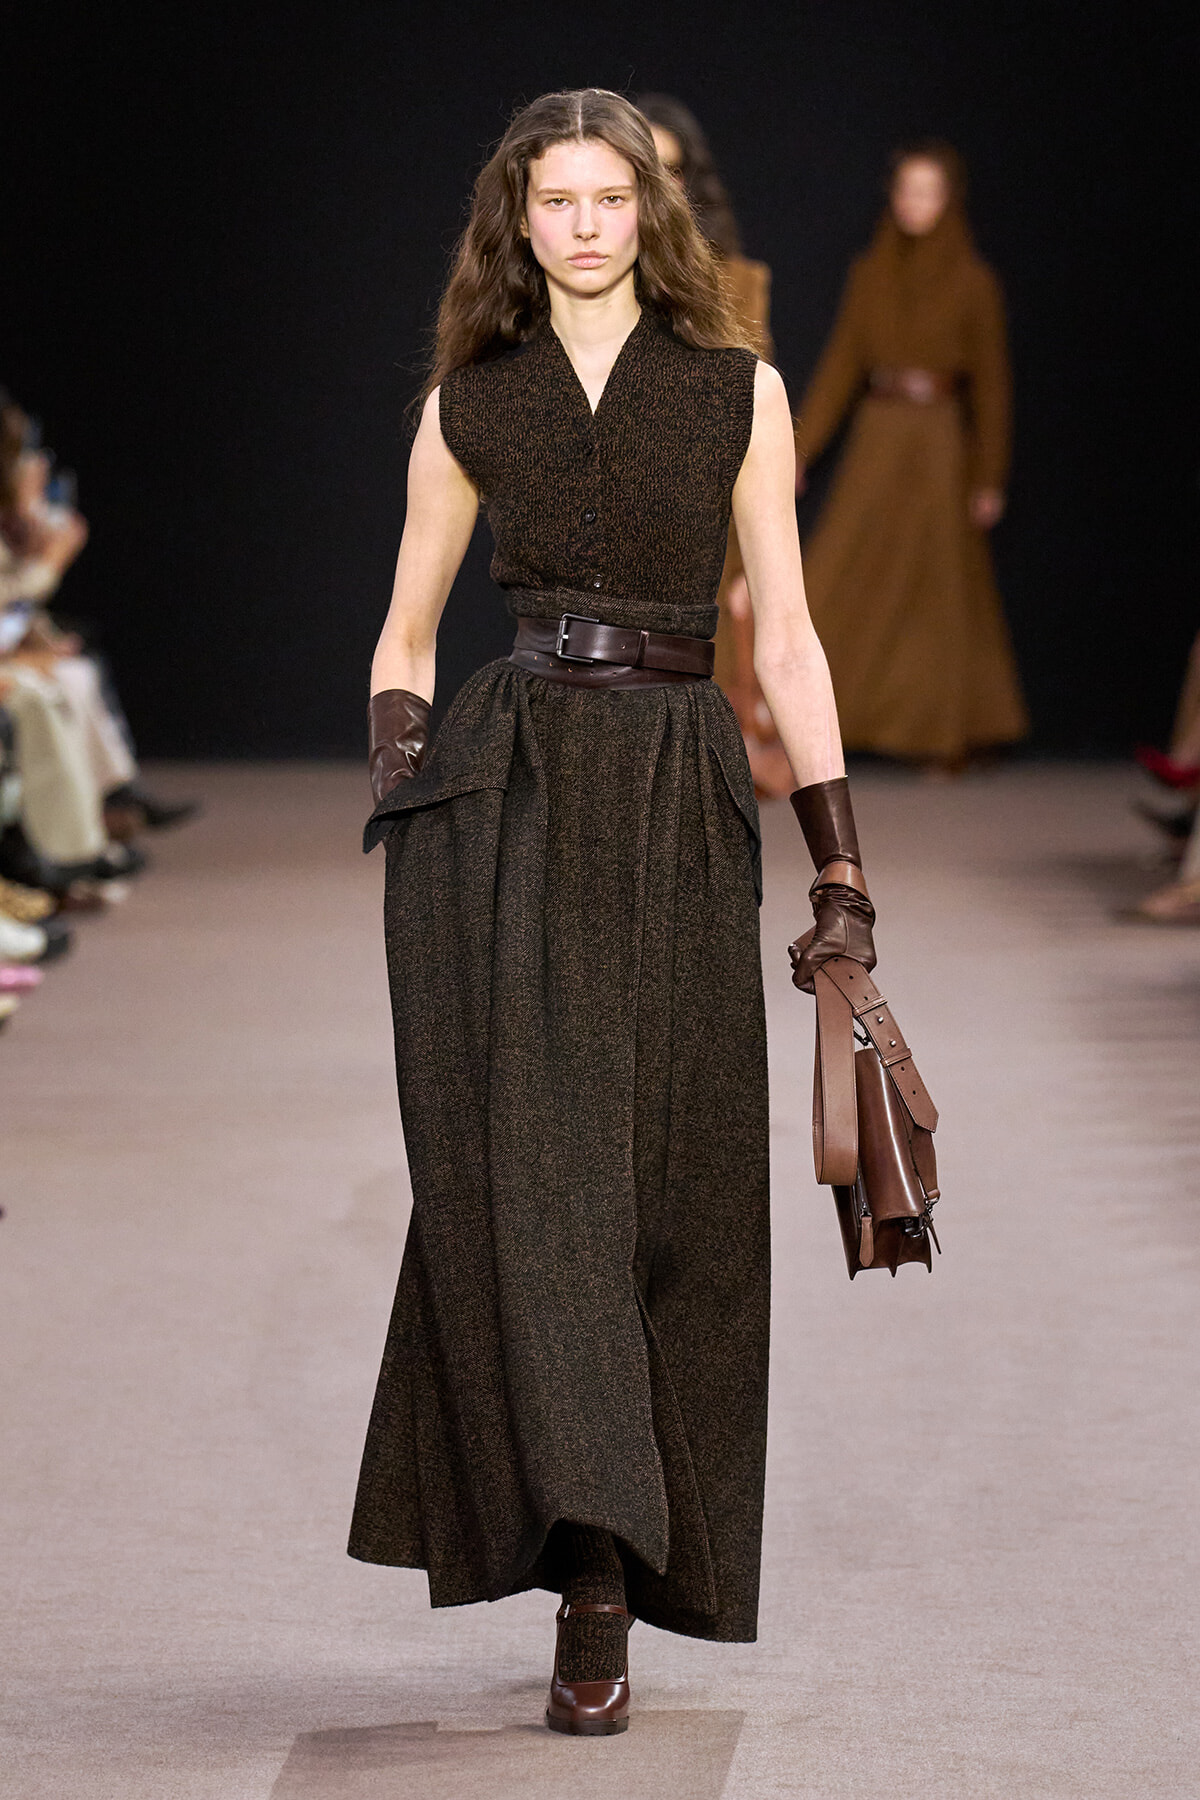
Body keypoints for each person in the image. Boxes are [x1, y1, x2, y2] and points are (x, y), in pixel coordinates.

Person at [349, 89, 878, 1737]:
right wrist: (405, 782)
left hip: (677, 785)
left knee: (671, 1180)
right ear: (515, 220)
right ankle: (591, 1580)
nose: (583, 226)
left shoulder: (736, 391)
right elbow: (408, 628)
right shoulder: (470, 401)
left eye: (608, 197)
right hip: (508, 793)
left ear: (651, 208)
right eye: (554, 201)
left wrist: (841, 867)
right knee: (535, 1181)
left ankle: (637, 1544)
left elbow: (785, 634)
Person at [794, 142, 1028, 772]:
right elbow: (842, 364)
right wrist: (798, 449)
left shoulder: (974, 283)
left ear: (949, 199)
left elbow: (993, 387)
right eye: (905, 190)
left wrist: (989, 477)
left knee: (939, 587)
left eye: (927, 192)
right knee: (842, 571)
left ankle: (939, 735)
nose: (914, 204)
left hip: (938, 443)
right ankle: (819, 724)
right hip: (879, 436)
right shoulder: (870, 272)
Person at [636, 94, 792, 798]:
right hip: (615, 473)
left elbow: (756, 393)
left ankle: (722, 754)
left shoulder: (736, 279)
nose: (657, 181)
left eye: (671, 167)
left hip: (709, 476)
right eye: (642, 164)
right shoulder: (587, 273)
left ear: (690, 178)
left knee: (732, 605)